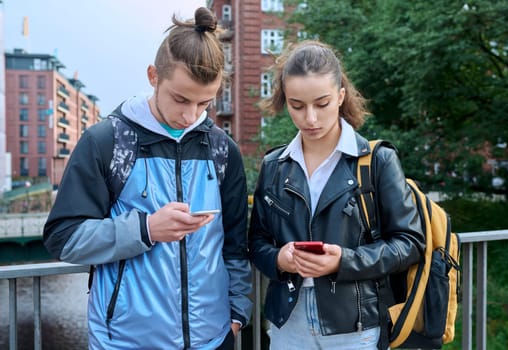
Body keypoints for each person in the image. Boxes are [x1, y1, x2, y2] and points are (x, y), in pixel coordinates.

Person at [43, 7, 252, 350]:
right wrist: (146, 229)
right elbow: (63, 238)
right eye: (181, 99)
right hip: (126, 342)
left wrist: (237, 314)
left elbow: (234, 246)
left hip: (214, 339)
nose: (190, 115)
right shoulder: (106, 142)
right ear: (153, 76)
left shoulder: (222, 149)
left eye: (204, 103)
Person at [248, 40, 425, 350]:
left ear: (341, 96)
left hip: (354, 328)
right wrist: (278, 258)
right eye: (297, 105)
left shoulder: (376, 161)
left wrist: (344, 261)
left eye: (322, 103)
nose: (310, 118)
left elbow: (409, 244)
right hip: (287, 323)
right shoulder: (273, 166)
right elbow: (257, 242)